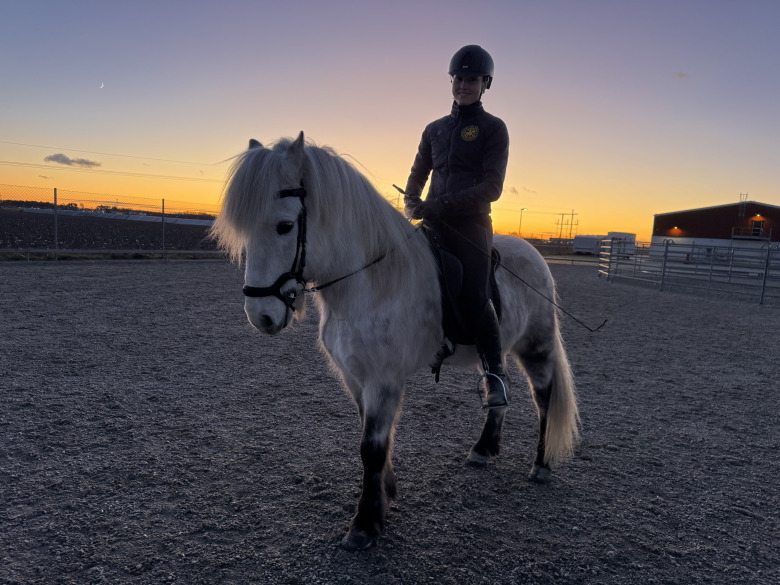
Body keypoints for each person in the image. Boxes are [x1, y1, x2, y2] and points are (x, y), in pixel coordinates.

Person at [404, 44, 510, 409]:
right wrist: (410, 202)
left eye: (472, 80)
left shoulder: (493, 129)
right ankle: (431, 341)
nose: (464, 85)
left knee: (475, 294)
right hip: (434, 223)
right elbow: (418, 173)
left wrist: (443, 204)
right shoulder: (434, 129)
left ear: (485, 84)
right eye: (459, 78)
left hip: (471, 226)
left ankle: (494, 372)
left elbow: (492, 187)